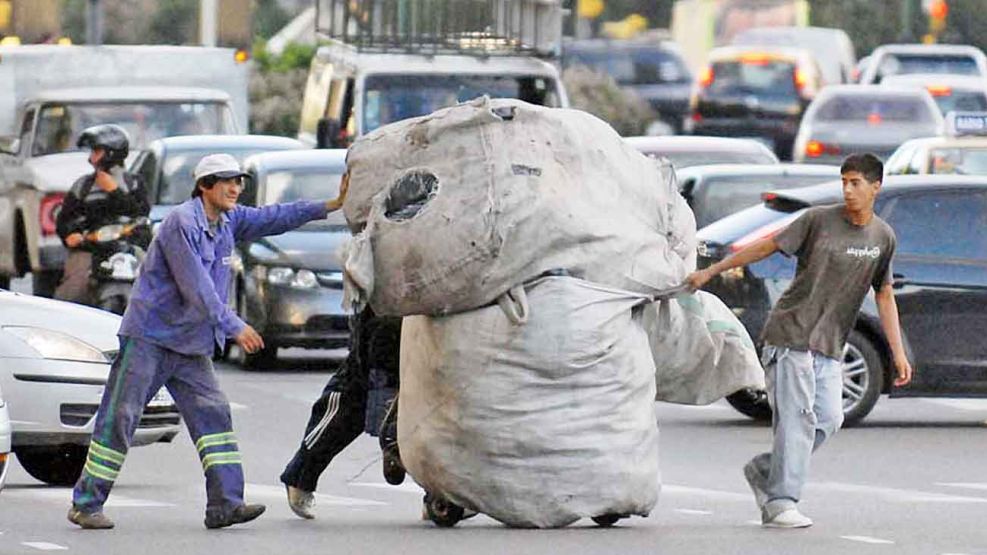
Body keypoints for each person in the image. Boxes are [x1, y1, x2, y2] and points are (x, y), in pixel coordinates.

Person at [67, 153, 349, 530]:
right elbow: (196, 287)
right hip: (150, 337)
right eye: (227, 181)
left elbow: (273, 217)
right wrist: (234, 326)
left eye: (239, 181)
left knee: (214, 416)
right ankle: (86, 503)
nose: (236, 188)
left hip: (190, 344)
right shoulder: (180, 224)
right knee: (121, 417)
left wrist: (329, 205)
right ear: (204, 186)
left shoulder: (229, 220)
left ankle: (225, 504)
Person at [686, 153, 913, 528]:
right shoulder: (818, 220)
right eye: (844, 182)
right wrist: (712, 270)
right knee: (796, 420)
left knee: (828, 417)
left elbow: (885, 295)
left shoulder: (882, 237)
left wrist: (898, 352)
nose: (848, 190)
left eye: (856, 183)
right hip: (791, 333)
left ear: (876, 187)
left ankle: (766, 470)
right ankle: (780, 501)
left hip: (829, 343)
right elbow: (768, 245)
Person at [280, 307, 402, 519]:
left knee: (437, 412)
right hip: (385, 313)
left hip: (434, 312)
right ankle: (300, 476)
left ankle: (442, 496)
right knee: (349, 403)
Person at [55, 124, 149, 304]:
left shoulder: (134, 183)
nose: (91, 157)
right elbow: (65, 219)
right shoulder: (83, 186)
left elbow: (140, 212)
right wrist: (71, 234)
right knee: (72, 293)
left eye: (96, 151)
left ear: (111, 153)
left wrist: (114, 191)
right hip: (90, 249)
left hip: (129, 247)